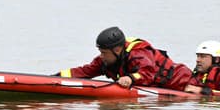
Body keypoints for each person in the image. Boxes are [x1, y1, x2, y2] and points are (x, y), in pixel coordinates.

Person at [59, 26, 191, 90]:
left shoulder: (138, 54)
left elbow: (148, 73)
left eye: (104, 52)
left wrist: (130, 78)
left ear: (116, 50)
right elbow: (84, 72)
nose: (101, 56)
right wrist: (56, 77)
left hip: (181, 80)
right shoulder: (106, 59)